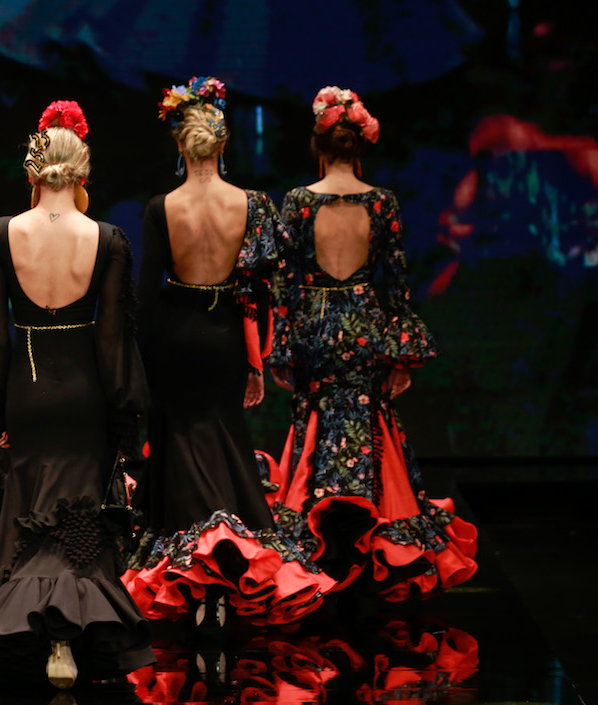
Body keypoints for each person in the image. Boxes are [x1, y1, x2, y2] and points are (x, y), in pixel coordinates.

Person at [0, 101, 154, 688]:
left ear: (32, 172)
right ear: (83, 172)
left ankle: (35, 635)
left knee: (28, 515)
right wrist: (123, 410)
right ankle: (64, 637)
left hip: (27, 392)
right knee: (79, 522)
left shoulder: (2, 234)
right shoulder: (107, 239)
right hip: (84, 395)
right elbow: (113, 339)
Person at [120, 76, 339, 628]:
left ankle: (195, 568)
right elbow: (259, 291)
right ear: (223, 144)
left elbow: (145, 293)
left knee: (181, 441)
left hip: (174, 336)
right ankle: (226, 558)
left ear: (180, 143)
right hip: (224, 339)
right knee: (221, 435)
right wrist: (256, 360)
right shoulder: (253, 204)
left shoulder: (161, 206)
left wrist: (137, 360)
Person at [266, 86, 478, 600]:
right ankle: (376, 538)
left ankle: (316, 540)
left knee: (315, 418)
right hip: (365, 323)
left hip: (315, 326)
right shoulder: (382, 202)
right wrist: (401, 353)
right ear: (360, 146)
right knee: (369, 417)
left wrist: (280, 347)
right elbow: (397, 285)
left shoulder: (298, 202)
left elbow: (282, 280)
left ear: (318, 146)